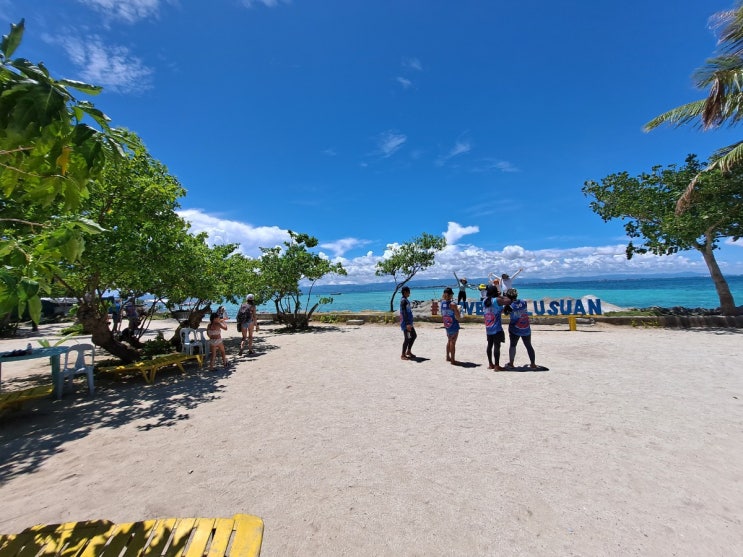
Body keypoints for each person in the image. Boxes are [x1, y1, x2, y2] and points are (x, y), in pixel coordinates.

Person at [504, 287, 539, 369]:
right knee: (528, 345)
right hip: (526, 327)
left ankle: (511, 363)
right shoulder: (523, 302)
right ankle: (533, 364)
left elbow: (506, 313)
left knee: (513, 345)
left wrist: (506, 304)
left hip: (515, 328)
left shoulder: (510, 306)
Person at [483, 285, 509, 370]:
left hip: (488, 327)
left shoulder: (484, 301)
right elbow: (508, 301)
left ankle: (490, 364)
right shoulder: (497, 300)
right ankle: (497, 366)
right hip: (496, 328)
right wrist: (500, 295)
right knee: (497, 346)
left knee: (489, 345)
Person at [440, 287, 461, 365]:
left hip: (447, 324)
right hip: (453, 324)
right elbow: (458, 316)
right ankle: (452, 359)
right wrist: (458, 310)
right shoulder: (452, 304)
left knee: (449, 340)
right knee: (453, 342)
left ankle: (447, 356)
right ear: (451, 295)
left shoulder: (442, 303)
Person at [399, 285, 416, 360]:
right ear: (405, 292)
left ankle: (408, 351)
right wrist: (407, 324)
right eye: (409, 292)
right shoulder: (403, 301)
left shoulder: (405, 300)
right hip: (406, 323)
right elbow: (404, 312)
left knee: (414, 335)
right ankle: (403, 355)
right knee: (407, 338)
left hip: (409, 323)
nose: (409, 293)